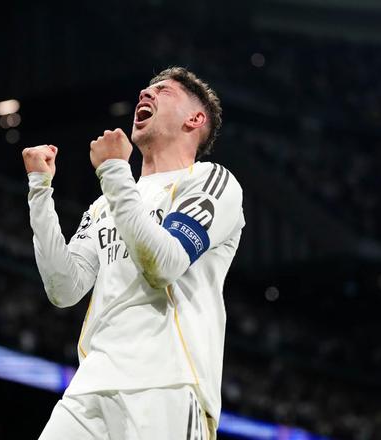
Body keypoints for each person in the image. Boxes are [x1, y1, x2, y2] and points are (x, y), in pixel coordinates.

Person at [22, 67, 245, 440]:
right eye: (146, 89)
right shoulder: (105, 203)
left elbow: (164, 264)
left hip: (168, 383)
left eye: (164, 91)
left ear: (195, 119)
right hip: (92, 384)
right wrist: (40, 190)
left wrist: (113, 170)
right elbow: (64, 288)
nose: (146, 93)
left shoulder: (209, 181)